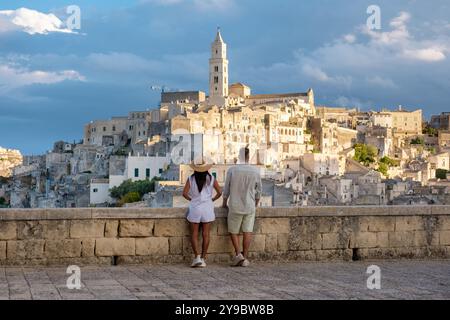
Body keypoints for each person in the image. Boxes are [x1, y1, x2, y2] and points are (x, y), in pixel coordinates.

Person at [222, 147, 262, 267]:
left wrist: (224, 203)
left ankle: (238, 254)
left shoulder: (232, 170)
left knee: (233, 231)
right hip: (249, 205)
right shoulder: (255, 171)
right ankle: (244, 257)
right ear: (248, 156)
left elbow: (226, 189)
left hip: (235, 205)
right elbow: (259, 191)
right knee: (247, 231)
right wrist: (255, 203)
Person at [183, 160, 222, 268]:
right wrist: (212, 199)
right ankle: (204, 258)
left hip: (195, 207)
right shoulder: (211, 179)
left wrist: (192, 199)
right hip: (207, 207)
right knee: (206, 234)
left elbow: (184, 193)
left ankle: (197, 257)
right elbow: (220, 192)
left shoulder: (190, 179)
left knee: (194, 234)